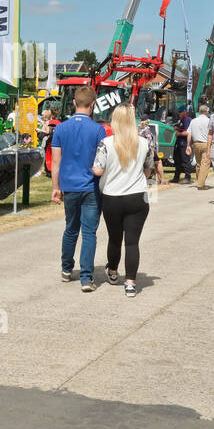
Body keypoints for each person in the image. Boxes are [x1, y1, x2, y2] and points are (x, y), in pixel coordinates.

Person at [93, 103, 154, 297]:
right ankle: (130, 282)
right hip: (137, 196)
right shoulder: (144, 143)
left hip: (112, 196)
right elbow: (148, 168)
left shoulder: (106, 143)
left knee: (114, 237)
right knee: (132, 242)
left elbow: (98, 169)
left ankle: (112, 271)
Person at [50, 85, 103, 292]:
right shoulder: (98, 129)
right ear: (93, 105)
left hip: (69, 186)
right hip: (90, 186)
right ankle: (86, 278)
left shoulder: (61, 128)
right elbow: (101, 161)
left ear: (74, 103)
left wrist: (56, 187)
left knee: (71, 228)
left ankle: (66, 268)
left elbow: (56, 162)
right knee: (89, 232)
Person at [189, 104, 213, 190]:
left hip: (196, 144)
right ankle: (201, 184)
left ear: (199, 112)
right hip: (206, 144)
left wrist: (188, 145)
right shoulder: (209, 120)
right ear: (206, 112)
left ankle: (199, 181)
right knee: (205, 164)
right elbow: (212, 133)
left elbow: (189, 134)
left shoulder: (193, 121)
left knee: (198, 164)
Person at [139, 117, 166, 183]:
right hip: (148, 149)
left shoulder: (138, 128)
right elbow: (150, 141)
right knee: (158, 162)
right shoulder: (146, 129)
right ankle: (162, 179)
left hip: (140, 148)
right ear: (147, 120)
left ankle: (157, 178)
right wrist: (152, 151)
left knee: (152, 163)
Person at [171, 107, 193, 183]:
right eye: (179, 112)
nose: (179, 113)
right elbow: (182, 128)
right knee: (177, 161)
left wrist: (178, 133)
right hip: (179, 143)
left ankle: (188, 177)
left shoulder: (187, 119)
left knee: (185, 160)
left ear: (184, 111)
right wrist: (177, 128)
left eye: (180, 112)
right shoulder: (181, 119)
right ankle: (176, 177)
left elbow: (187, 132)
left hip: (184, 143)